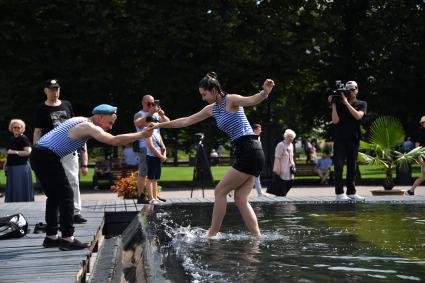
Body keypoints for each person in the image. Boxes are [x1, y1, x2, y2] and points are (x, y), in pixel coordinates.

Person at [155, 72, 275, 237]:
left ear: (213, 90)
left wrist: (265, 92)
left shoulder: (231, 100)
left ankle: (212, 234)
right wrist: (159, 125)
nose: (203, 98)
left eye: (204, 94)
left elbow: (252, 99)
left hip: (249, 150)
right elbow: (185, 121)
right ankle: (257, 237)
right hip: (249, 152)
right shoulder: (211, 109)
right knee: (240, 199)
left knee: (220, 191)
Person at [30, 104, 154, 250]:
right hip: (47, 156)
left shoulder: (79, 119)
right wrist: (141, 135)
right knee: (67, 196)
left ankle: (51, 237)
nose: (110, 127)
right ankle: (67, 239)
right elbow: (114, 140)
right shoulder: (89, 127)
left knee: (54, 196)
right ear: (100, 116)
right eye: (110, 122)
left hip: (38, 153)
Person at [33, 79, 88, 223]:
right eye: (51, 89)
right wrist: (36, 150)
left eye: (56, 89)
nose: (54, 92)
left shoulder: (67, 104)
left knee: (73, 180)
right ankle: (58, 213)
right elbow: (37, 131)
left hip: (69, 148)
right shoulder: (41, 108)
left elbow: (76, 125)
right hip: (50, 150)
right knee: (55, 182)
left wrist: (82, 147)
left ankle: (76, 212)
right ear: (45, 91)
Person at [329, 80, 366, 201]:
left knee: (352, 166)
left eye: (353, 89)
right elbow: (335, 121)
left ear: (357, 89)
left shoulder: (361, 103)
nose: (351, 91)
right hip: (339, 138)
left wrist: (346, 103)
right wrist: (334, 104)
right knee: (338, 166)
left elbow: (358, 116)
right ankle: (339, 193)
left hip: (353, 139)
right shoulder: (339, 104)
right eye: (348, 89)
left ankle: (351, 192)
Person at [134, 95, 170, 204]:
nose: (151, 105)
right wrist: (150, 113)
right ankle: (141, 196)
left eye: (152, 103)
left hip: (157, 145)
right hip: (144, 146)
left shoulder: (156, 114)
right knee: (144, 172)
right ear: (143, 103)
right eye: (148, 103)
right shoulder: (139, 114)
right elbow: (138, 123)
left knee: (154, 173)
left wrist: (162, 115)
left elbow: (168, 123)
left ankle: (154, 196)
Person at [3, 119, 34, 202]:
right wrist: (6, 163)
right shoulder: (11, 138)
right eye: (14, 127)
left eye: (18, 127)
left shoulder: (23, 139)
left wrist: (14, 152)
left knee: (20, 187)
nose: (16, 129)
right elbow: (9, 153)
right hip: (12, 167)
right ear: (11, 128)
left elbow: (28, 152)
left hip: (21, 167)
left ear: (22, 128)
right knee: (13, 187)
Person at [145, 126, 167, 204]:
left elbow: (163, 146)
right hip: (151, 157)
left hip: (159, 158)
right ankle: (151, 198)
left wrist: (164, 155)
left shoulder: (157, 133)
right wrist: (161, 156)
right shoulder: (147, 131)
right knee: (150, 178)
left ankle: (155, 197)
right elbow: (151, 146)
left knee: (155, 179)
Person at [272, 129, 296, 196]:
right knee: (281, 188)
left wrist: (293, 164)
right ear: (286, 136)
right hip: (282, 169)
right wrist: (278, 169)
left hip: (290, 170)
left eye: (292, 137)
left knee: (291, 182)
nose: (291, 138)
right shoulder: (281, 145)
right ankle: (280, 200)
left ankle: (282, 196)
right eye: (290, 136)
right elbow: (277, 158)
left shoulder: (291, 145)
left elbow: (291, 156)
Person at [405, 116, 425, 196]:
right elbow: (417, 147)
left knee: (423, 177)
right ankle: (411, 191)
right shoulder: (419, 133)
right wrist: (419, 158)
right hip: (423, 156)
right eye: (423, 122)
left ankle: (411, 191)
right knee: (423, 176)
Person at [252, 123, 264, 196]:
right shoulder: (252, 137)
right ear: (255, 130)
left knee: (256, 176)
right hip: (252, 160)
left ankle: (259, 192)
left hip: (256, 160)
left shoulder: (257, 137)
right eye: (259, 130)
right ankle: (232, 191)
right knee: (244, 178)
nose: (261, 131)